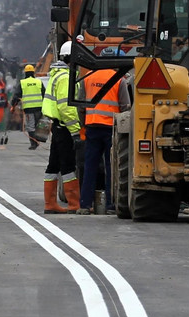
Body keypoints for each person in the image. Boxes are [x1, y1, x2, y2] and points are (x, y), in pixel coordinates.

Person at [77, 58, 129, 215]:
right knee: (110, 167)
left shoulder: (87, 79)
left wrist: (83, 124)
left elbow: (80, 106)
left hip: (92, 126)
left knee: (90, 167)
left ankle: (85, 205)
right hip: (110, 129)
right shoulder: (120, 80)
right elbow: (125, 107)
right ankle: (110, 205)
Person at [41, 41, 81, 214]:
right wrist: (76, 131)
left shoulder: (57, 74)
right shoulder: (65, 77)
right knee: (68, 165)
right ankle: (74, 204)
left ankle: (50, 204)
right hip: (64, 127)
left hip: (57, 126)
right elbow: (66, 107)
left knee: (53, 165)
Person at [11, 64, 45, 150]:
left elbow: (16, 96)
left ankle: (34, 143)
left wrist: (13, 105)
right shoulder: (39, 82)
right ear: (33, 72)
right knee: (38, 125)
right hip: (39, 108)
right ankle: (38, 140)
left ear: (25, 73)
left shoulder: (23, 83)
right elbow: (45, 94)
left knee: (30, 126)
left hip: (29, 109)